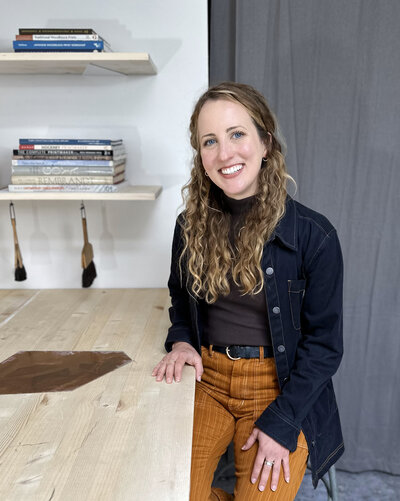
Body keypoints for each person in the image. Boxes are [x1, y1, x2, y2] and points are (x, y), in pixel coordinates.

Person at [152, 82, 344, 500]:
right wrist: (182, 342)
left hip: (279, 388)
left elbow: (325, 346)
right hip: (207, 379)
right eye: (210, 141)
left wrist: (284, 421)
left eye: (237, 134)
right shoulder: (189, 227)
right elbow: (180, 302)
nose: (225, 154)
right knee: (160, 487)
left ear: (265, 142)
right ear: (200, 157)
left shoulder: (314, 236)